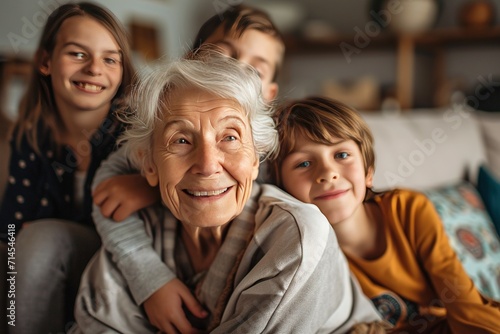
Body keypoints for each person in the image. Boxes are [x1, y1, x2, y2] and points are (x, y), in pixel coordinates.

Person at [70, 49, 382, 334]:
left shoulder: (296, 236)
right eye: (181, 140)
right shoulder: (139, 237)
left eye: (230, 138)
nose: (207, 166)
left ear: (257, 157)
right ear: (149, 165)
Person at [89, 5, 287, 333]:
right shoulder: (155, 132)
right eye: (223, 59)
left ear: (270, 93)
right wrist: (150, 279)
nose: (234, 73)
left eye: (254, 71)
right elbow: (108, 195)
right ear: (191, 64)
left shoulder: (285, 145)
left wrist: (151, 190)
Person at [270, 96, 500, 333]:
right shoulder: (304, 255)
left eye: (341, 155)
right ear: (283, 189)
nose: (328, 173)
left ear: (368, 172)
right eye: (304, 164)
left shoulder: (408, 209)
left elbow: (465, 304)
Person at [0, 2, 134, 333]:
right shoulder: (29, 137)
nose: (93, 68)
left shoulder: (134, 132)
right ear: (45, 61)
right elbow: (12, 230)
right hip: (43, 265)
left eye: (109, 58)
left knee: (42, 239)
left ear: (122, 71)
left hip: (119, 263)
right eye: (77, 54)